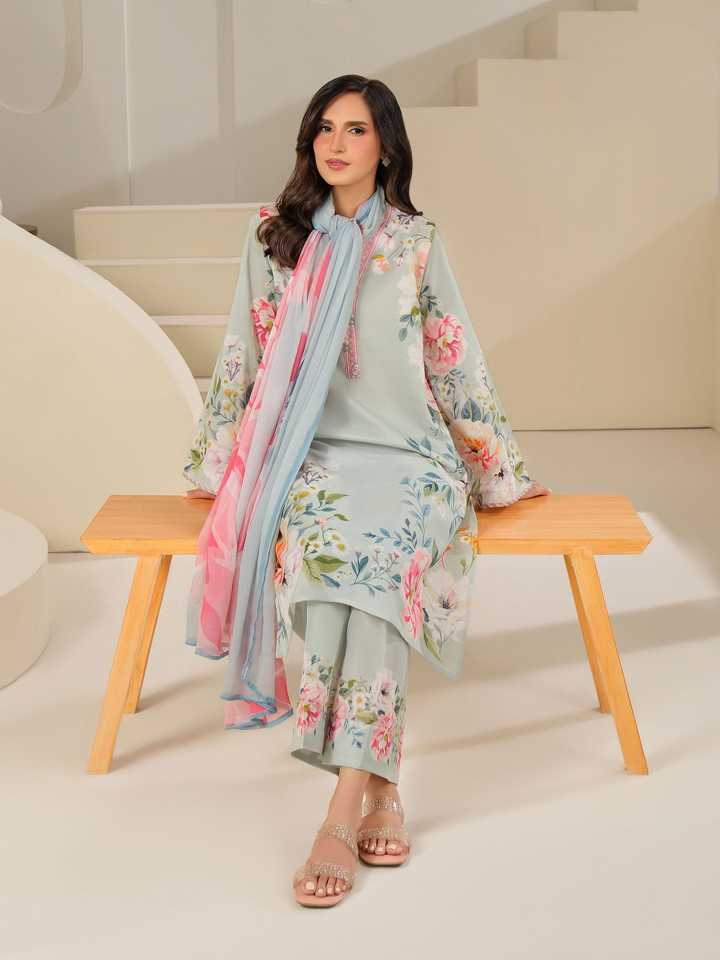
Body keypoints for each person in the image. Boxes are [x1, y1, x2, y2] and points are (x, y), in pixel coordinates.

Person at [182, 74, 550, 908]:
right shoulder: (273, 239)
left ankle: (339, 811)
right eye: (324, 127)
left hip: (411, 457)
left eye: (355, 129)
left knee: (382, 560)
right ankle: (381, 787)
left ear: (386, 145)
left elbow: (453, 355)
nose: (336, 143)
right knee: (327, 557)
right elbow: (244, 349)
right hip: (310, 457)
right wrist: (218, 466)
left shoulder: (415, 242)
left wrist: (499, 472)